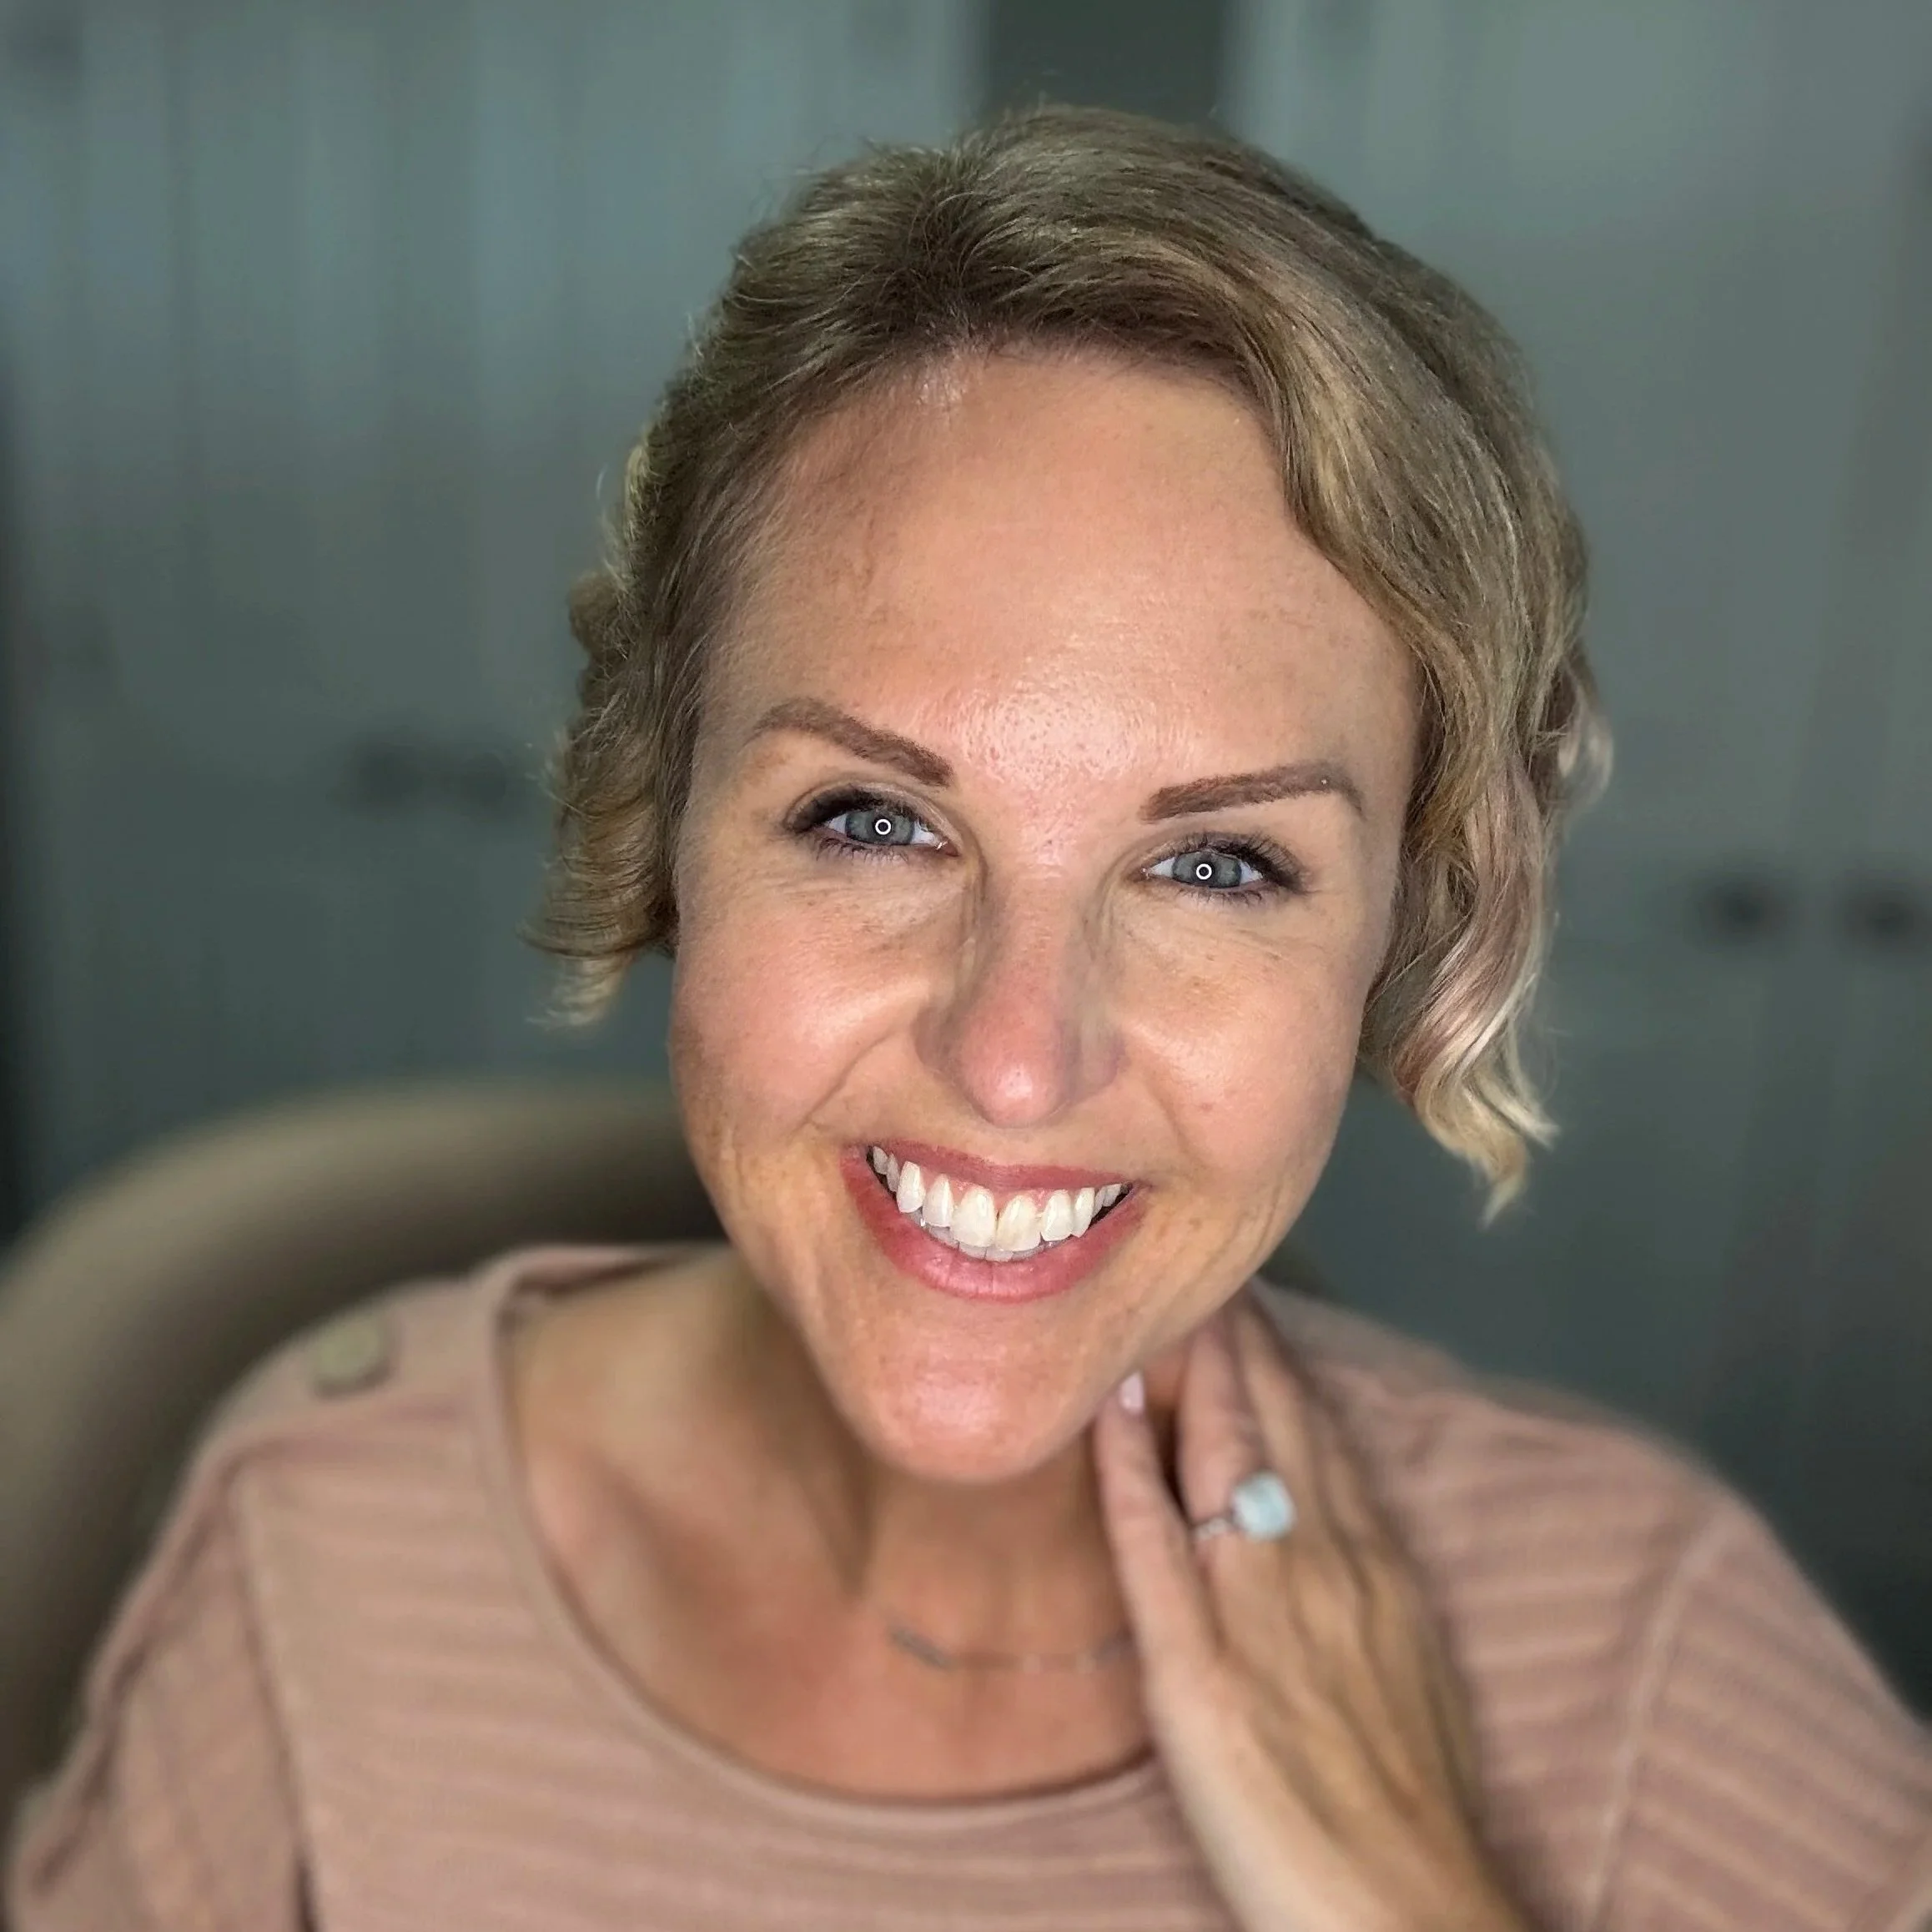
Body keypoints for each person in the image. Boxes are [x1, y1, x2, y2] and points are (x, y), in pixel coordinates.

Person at [8, 107, 1929, 1932]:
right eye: (876, 820)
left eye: (1221, 866)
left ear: (1407, 942)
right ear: (656, 824)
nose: (1018, 1059)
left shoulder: (1645, 1664)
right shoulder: (326, 1544)